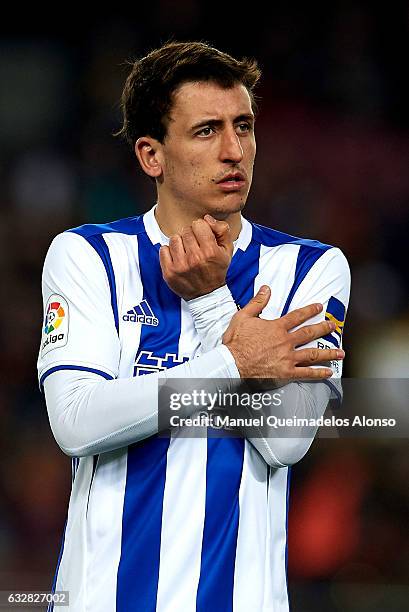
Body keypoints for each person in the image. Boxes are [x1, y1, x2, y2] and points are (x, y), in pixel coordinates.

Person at [38, 41, 350, 612]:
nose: (235, 151)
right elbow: (76, 422)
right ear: (151, 155)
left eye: (244, 126)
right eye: (207, 131)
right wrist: (233, 362)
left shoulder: (311, 269)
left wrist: (210, 300)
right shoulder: (89, 256)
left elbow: (285, 441)